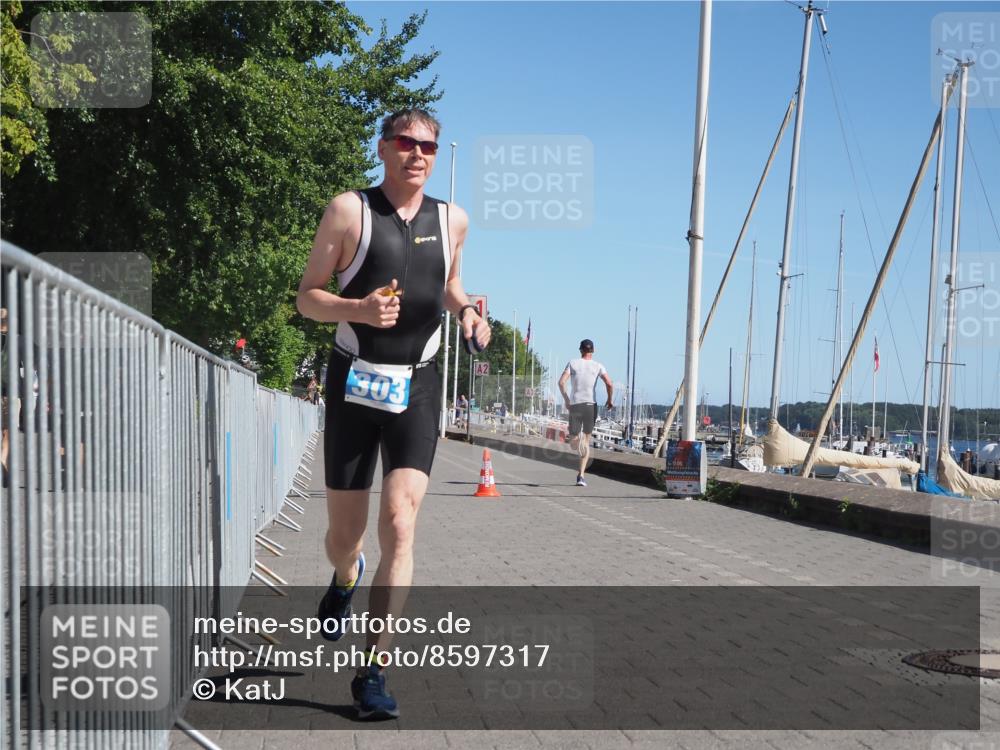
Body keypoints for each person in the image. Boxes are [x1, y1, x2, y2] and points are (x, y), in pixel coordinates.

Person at [296, 108, 490, 720]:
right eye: (405, 143)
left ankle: (373, 669)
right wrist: (356, 308)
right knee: (343, 537)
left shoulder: (453, 219)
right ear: (384, 148)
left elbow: (450, 285)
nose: (418, 154)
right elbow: (308, 298)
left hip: (419, 384)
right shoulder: (348, 211)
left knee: (401, 525)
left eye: (428, 146)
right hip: (355, 381)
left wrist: (469, 313)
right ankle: (345, 574)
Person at [558, 339, 613, 487]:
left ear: (580, 350)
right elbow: (609, 383)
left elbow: (561, 382)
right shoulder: (598, 366)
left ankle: (577, 442)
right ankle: (581, 476)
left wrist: (566, 399)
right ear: (593, 351)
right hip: (590, 405)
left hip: (576, 405)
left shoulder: (573, 363)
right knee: (586, 442)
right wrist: (609, 399)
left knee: (573, 443)